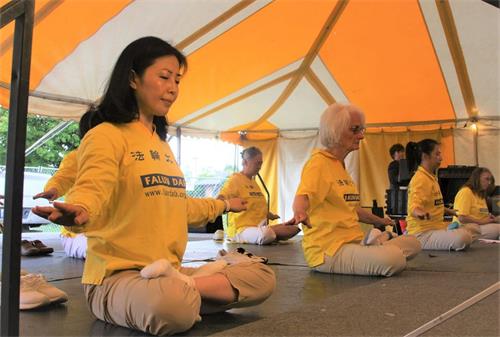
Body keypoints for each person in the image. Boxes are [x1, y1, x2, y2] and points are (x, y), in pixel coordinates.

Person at [33, 36, 275, 336]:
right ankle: (186, 294)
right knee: (169, 306)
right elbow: (94, 184)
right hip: (117, 280)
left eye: (177, 79)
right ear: (133, 78)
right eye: (164, 77)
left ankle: (186, 289)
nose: (173, 88)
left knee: (261, 277)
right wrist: (81, 208)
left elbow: (180, 206)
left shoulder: (161, 146)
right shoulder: (106, 135)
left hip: (170, 274)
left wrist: (225, 204)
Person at [292, 103, 421, 277]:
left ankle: (376, 242)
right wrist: (299, 212)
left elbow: (352, 209)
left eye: (362, 130)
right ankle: (378, 244)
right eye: (355, 130)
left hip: (353, 242)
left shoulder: (339, 165)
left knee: (414, 243)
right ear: (335, 130)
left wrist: (381, 221)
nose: (361, 136)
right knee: (394, 259)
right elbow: (303, 196)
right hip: (328, 252)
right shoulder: (318, 164)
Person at [33, 110, 103, 259]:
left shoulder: (121, 158)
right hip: (76, 235)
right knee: (102, 253)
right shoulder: (77, 157)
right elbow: (64, 176)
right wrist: (53, 189)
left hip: (107, 232)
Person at [218, 146, 300, 245]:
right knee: (267, 234)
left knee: (294, 229)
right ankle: (267, 236)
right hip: (241, 230)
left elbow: (256, 206)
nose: (260, 166)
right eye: (257, 163)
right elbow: (220, 198)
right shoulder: (234, 180)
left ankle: (267, 236)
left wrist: (270, 215)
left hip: (258, 227)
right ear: (245, 162)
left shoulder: (254, 182)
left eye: (261, 163)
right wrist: (224, 204)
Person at [406, 139, 473, 250]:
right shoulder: (420, 179)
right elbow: (413, 207)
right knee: (464, 237)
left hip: (435, 230)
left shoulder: (431, 177)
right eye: (437, 154)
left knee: (472, 229)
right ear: (425, 156)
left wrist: (449, 211)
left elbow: (433, 205)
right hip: (421, 235)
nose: (441, 158)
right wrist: (420, 213)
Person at [452, 167, 500, 239]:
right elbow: (461, 218)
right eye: (486, 179)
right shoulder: (465, 192)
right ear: (477, 179)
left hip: (480, 226)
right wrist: (482, 221)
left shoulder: (481, 195)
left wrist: (492, 218)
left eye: (490, 180)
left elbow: (481, 213)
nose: (489, 183)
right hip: (467, 227)